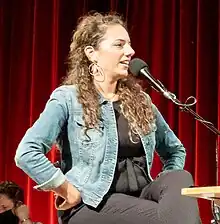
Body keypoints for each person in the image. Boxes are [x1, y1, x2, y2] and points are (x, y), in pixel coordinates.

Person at [15, 12, 201, 224]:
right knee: (169, 218)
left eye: (129, 45)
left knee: (180, 178)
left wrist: (168, 195)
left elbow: (174, 150)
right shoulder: (68, 98)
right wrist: (66, 189)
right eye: (119, 45)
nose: (130, 52)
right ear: (91, 53)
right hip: (92, 202)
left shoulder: (141, 100)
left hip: (139, 197)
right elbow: (27, 152)